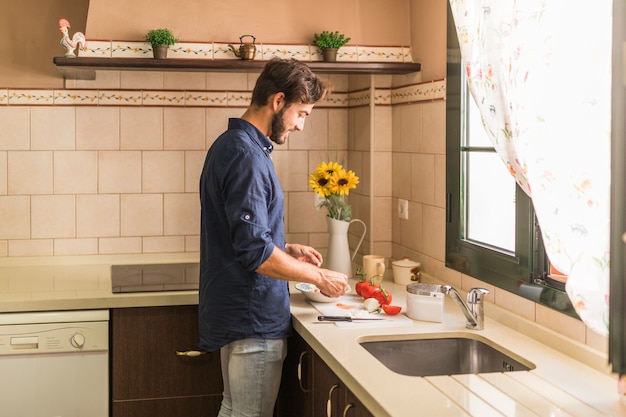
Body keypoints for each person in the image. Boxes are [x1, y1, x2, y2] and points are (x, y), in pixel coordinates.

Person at [198, 57, 350, 417]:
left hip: (238, 312)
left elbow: (242, 235)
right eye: (302, 114)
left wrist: (285, 248)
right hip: (253, 318)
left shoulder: (231, 144)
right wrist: (318, 276)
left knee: (234, 410)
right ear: (278, 101)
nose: (299, 126)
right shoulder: (247, 156)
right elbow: (255, 252)